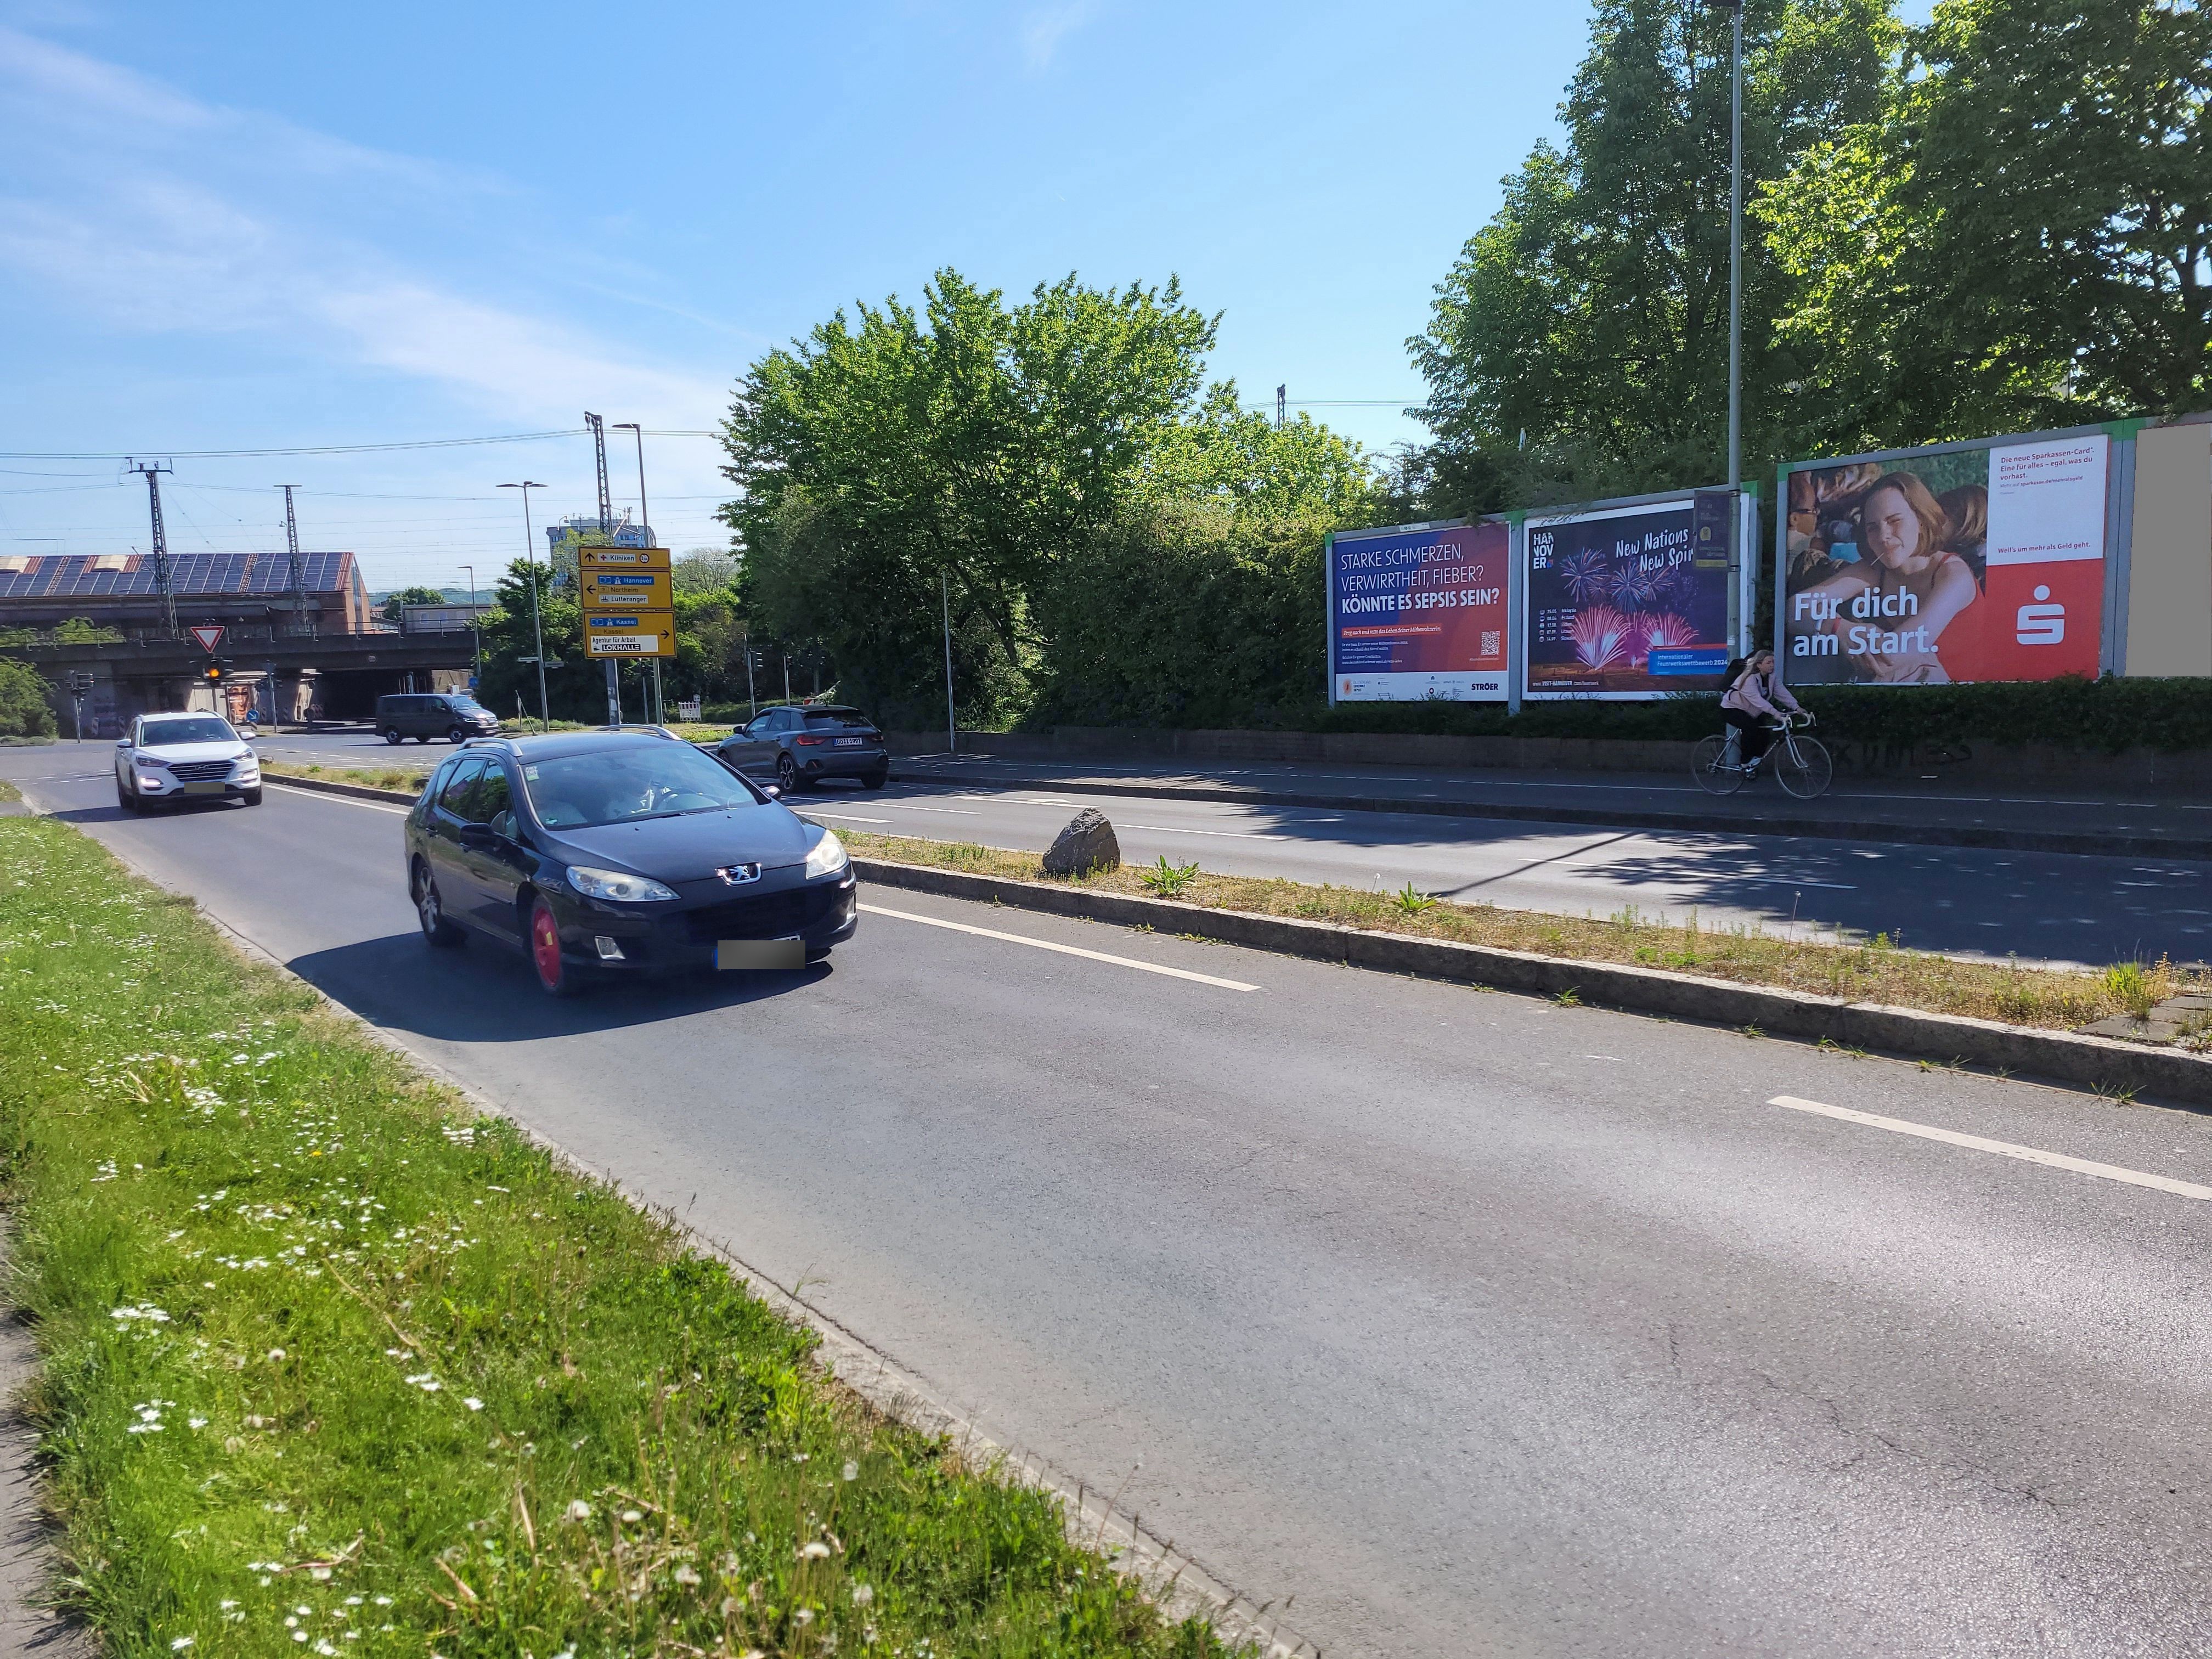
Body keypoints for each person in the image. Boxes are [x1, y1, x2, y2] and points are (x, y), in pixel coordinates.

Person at [1791, 471, 1979, 683]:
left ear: (1921, 519)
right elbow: (1795, 607)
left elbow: (1896, 654)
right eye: (1872, 528)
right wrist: (1839, 628)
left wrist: (1847, 636)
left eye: (1894, 520)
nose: (1883, 536)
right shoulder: (1875, 569)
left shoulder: (1953, 574)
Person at [1720, 650, 1803, 772]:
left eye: (1773, 662)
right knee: (1750, 728)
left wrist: (1797, 707)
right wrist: (1775, 713)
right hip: (1732, 708)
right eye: (1768, 662)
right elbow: (1757, 700)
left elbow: (1782, 693)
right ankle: (1745, 762)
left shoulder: (1772, 677)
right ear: (1759, 665)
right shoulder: (1749, 678)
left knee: (1764, 732)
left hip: (1752, 711)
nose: (1772, 665)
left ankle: (1755, 760)